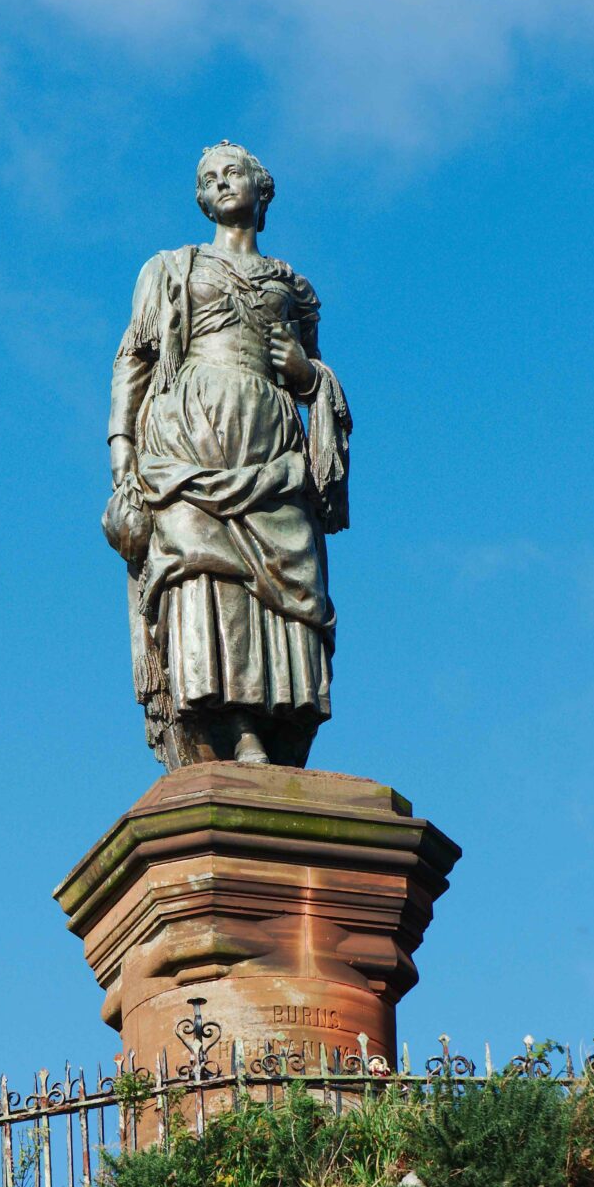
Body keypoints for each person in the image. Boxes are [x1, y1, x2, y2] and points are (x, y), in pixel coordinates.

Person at [104, 141, 351, 770]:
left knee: (295, 583)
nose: (219, 183)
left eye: (231, 172)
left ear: (261, 190)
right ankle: (235, 726)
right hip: (186, 442)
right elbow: (134, 361)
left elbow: (314, 380)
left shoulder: (292, 286)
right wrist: (123, 458)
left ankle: (283, 719)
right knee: (202, 572)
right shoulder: (170, 269)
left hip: (270, 444)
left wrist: (306, 374)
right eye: (207, 179)